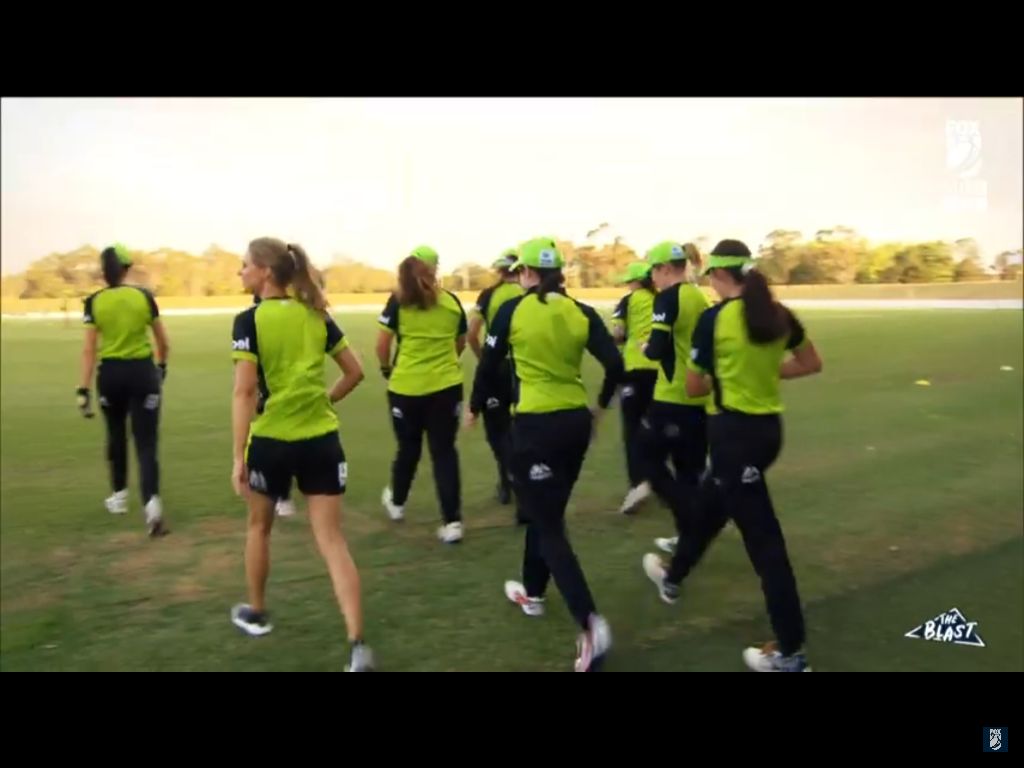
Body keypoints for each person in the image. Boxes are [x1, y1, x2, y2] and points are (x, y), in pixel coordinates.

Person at [640, 239, 823, 673]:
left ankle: (790, 653)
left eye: (713, 278)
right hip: (768, 433)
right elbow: (811, 363)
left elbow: (694, 387)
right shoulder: (778, 314)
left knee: (765, 545)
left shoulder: (716, 319)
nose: (711, 285)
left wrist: (728, 376)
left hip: (733, 436)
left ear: (721, 275)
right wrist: (766, 372)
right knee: (710, 507)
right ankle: (673, 577)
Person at [468, 237, 624, 672]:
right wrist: (599, 408)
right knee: (544, 512)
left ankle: (590, 624)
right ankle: (533, 593)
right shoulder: (581, 311)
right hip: (575, 423)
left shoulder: (512, 310)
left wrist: (475, 406)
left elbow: (488, 365)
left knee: (549, 524)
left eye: (521, 271)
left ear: (528, 272)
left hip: (536, 427)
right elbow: (616, 366)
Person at [230, 237, 373, 672]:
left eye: (245, 265)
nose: (240, 272)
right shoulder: (316, 314)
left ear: (265, 272)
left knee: (259, 528)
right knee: (332, 541)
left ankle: (257, 612)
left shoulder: (249, 320)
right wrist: (325, 400)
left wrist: (238, 456)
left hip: (271, 442)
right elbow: (355, 371)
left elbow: (245, 391)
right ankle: (358, 645)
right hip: (321, 441)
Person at [376, 246, 468, 543]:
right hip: (446, 388)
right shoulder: (451, 302)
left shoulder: (398, 302)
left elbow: (382, 344)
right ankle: (452, 522)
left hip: (406, 388)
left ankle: (397, 503)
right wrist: (444, 363)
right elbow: (461, 341)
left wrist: (386, 368)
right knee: (444, 452)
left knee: (408, 447)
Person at [77, 243, 169, 537]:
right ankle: (152, 507)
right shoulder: (144, 297)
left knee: (116, 436)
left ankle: (118, 497)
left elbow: (89, 350)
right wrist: (161, 367)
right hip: (143, 374)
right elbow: (163, 342)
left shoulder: (94, 302)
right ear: (126, 269)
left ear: (104, 272)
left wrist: (83, 389)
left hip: (111, 376)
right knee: (146, 443)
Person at [637, 241, 711, 551]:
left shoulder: (668, 298)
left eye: (654, 271)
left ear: (666, 269)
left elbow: (656, 349)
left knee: (647, 460)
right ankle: (686, 538)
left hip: (672, 396)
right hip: (700, 397)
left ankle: (693, 524)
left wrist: (644, 347)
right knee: (689, 471)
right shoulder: (699, 295)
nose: (652, 278)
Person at [467, 249, 524, 510]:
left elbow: (472, 334)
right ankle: (522, 478)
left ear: (500, 271)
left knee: (498, 430)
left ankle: (507, 480)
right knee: (523, 426)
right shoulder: (529, 294)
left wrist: (485, 360)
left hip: (497, 367)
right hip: (524, 368)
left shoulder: (489, 295)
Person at [610, 261, 659, 514]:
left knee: (632, 430)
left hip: (634, 370)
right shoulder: (661, 300)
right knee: (657, 429)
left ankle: (638, 484)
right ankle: (662, 481)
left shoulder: (628, 301)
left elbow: (618, 333)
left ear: (635, 281)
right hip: (660, 373)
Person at [251, 292, 296, 518]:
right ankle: (283, 494)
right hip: (275, 383)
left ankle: (283, 494)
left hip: (278, 384)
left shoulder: (258, 315)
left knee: (279, 437)